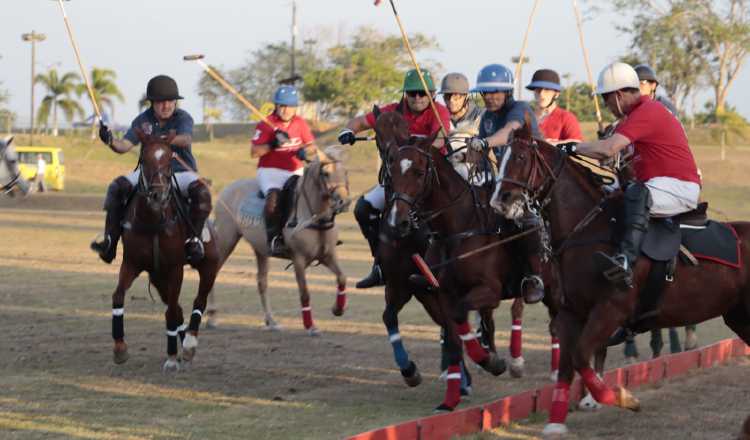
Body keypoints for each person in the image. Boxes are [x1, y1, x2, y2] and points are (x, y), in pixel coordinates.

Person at [557, 62, 701, 287]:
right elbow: (609, 157)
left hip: (678, 186)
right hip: (657, 185)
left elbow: (607, 149)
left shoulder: (648, 111)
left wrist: (572, 147)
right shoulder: (634, 117)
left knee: (635, 193)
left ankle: (626, 260)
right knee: (610, 195)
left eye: (606, 99)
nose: (607, 105)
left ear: (619, 94)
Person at [338, 69, 451, 288]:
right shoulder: (392, 112)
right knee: (364, 209)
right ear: (405, 95)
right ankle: (379, 264)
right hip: (400, 181)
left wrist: (409, 148)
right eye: (412, 93)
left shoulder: (439, 112)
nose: (417, 98)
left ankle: (451, 264)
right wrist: (347, 130)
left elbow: (439, 142)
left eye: (422, 93)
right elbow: (359, 121)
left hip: (430, 180)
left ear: (432, 94)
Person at [92, 75, 211, 267]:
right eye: (161, 102)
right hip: (149, 174)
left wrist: (163, 139)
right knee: (117, 187)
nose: (166, 106)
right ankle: (110, 241)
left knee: (202, 191)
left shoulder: (183, 117)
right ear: (152, 103)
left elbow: (186, 139)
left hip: (180, 172)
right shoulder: (142, 120)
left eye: (170, 101)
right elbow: (124, 146)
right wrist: (110, 140)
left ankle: (194, 240)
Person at [467, 63, 545, 304]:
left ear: (507, 92)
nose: (489, 97)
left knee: (525, 219)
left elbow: (508, 133)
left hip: (535, 181)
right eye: (485, 93)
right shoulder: (487, 117)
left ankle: (534, 277)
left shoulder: (519, 109)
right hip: (508, 181)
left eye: (495, 92)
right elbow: (478, 154)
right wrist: (466, 157)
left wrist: (485, 143)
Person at [251, 85, 317, 257]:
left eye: (289, 106)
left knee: (312, 193)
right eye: (282, 105)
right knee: (273, 200)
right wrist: (273, 144)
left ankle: (318, 234)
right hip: (270, 171)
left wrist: (305, 152)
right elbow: (254, 152)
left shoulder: (300, 123)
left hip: (295, 170)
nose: (285, 110)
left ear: (295, 107)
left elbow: (312, 147)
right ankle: (274, 239)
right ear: (276, 106)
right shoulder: (266, 124)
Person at [439, 72, 488, 184]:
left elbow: (490, 153)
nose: (451, 100)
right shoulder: (439, 118)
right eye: (447, 96)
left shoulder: (482, 116)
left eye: (456, 96)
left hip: (478, 176)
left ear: (466, 96)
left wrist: (465, 157)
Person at [526, 69, 583, 145]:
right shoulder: (526, 118)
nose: (541, 94)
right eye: (538, 90)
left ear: (557, 94)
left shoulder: (566, 118)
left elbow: (577, 144)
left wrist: (552, 144)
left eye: (547, 90)